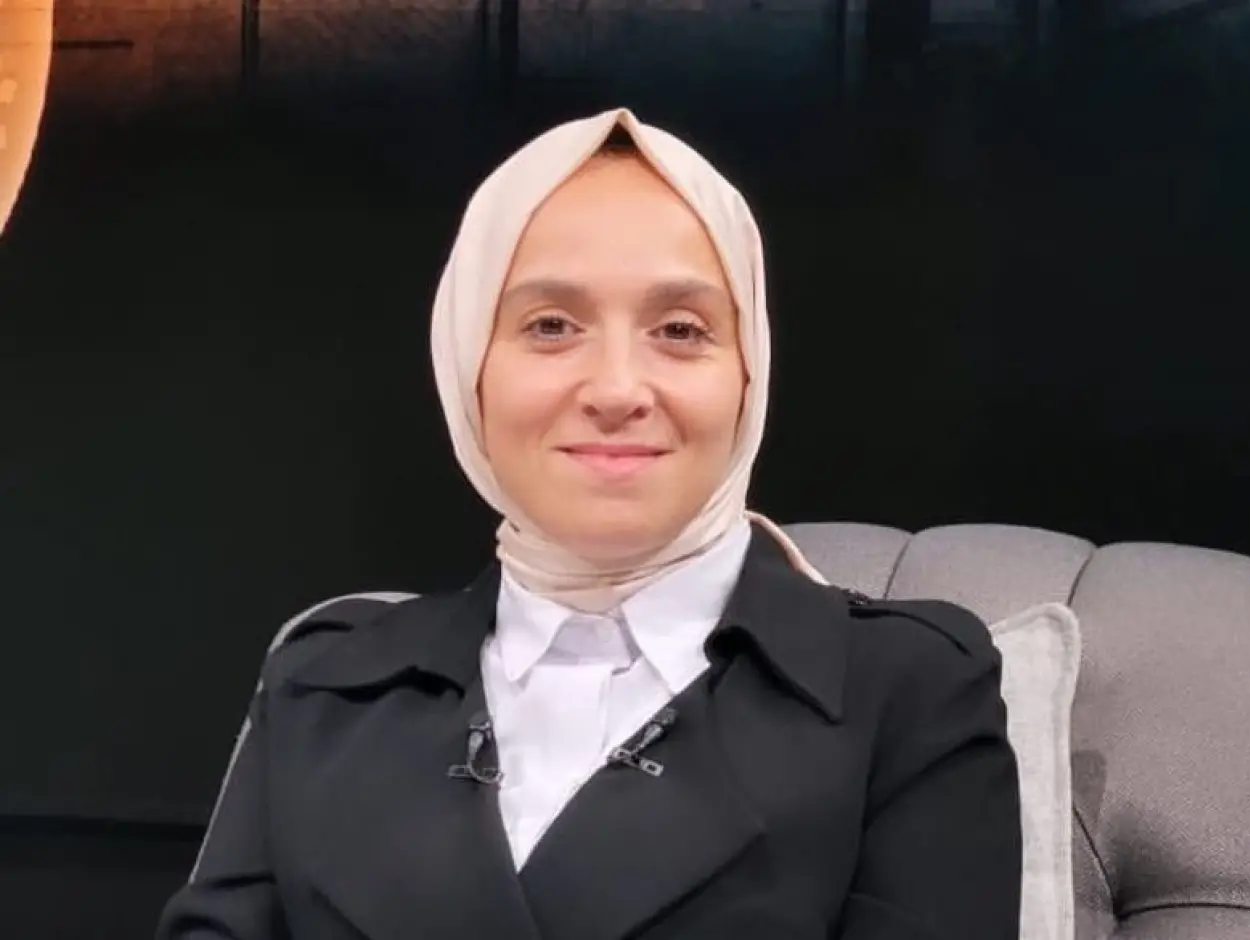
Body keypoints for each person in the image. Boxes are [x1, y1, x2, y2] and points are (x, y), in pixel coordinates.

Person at [156, 107, 1021, 940]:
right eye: (550, 326)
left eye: (680, 329)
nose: (615, 390)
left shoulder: (911, 692)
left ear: (748, 372)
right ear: (468, 365)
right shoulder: (323, 684)